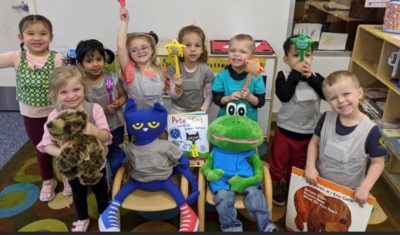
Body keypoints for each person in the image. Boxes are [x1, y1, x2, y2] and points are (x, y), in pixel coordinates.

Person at [0, 14, 67, 202]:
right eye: (30, 33)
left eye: (43, 33)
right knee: (42, 147)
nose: (37, 38)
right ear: (21, 37)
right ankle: (48, 180)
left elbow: (66, 82)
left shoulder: (57, 59)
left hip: (57, 112)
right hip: (31, 114)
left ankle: (67, 176)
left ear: (51, 37)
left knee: (63, 144)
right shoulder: (16, 57)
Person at [37, 66, 111, 232]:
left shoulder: (94, 109)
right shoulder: (55, 116)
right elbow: (45, 143)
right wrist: (59, 152)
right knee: (78, 193)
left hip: (96, 164)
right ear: (56, 94)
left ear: (84, 88)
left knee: (101, 191)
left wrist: (94, 130)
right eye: (63, 92)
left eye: (76, 89)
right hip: (73, 167)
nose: (71, 96)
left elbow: (107, 137)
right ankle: (82, 218)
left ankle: (104, 216)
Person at [305, 70, 386, 207]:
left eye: (346, 94)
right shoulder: (325, 118)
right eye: (333, 98)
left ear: (360, 93)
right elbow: (314, 143)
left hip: (350, 191)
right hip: (320, 183)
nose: (341, 101)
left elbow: (378, 163)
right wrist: (310, 166)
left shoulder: (371, 131)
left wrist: (365, 187)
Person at [269, 34, 325, 206]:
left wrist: (310, 78)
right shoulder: (283, 75)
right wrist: (295, 73)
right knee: (279, 161)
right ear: (286, 59)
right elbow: (284, 95)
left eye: (307, 55)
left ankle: (293, 186)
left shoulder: (318, 78)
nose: (303, 60)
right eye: (296, 56)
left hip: (308, 134)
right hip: (285, 131)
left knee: (298, 165)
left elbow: (326, 94)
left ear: (312, 58)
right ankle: (278, 184)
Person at [75, 39, 127, 183]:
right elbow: (82, 109)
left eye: (99, 59)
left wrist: (119, 103)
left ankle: (116, 178)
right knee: (97, 155)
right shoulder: (81, 86)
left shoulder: (112, 79)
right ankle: (103, 179)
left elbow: (124, 96)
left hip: (116, 124)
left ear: (104, 60)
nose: (96, 64)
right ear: (81, 64)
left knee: (117, 153)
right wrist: (102, 110)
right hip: (96, 129)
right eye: (89, 61)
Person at [212, 34, 266, 122]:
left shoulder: (257, 77)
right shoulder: (221, 76)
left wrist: (249, 97)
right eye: (232, 50)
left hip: (248, 123)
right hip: (225, 122)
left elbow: (261, 102)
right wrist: (229, 98)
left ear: (251, 56)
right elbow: (216, 99)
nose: (236, 54)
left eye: (243, 52)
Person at [117, 7, 163, 109]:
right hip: (137, 121)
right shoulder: (130, 70)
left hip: (157, 120)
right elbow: (121, 48)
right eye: (134, 50)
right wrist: (124, 22)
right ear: (130, 54)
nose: (140, 51)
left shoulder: (159, 70)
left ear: (152, 50)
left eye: (144, 47)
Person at [167, 25, 214, 114]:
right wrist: (178, 87)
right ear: (180, 48)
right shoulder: (173, 68)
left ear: (202, 49)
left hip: (198, 110)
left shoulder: (206, 70)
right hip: (177, 109)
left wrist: (203, 110)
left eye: (197, 45)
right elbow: (173, 96)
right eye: (188, 45)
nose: (193, 49)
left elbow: (210, 94)